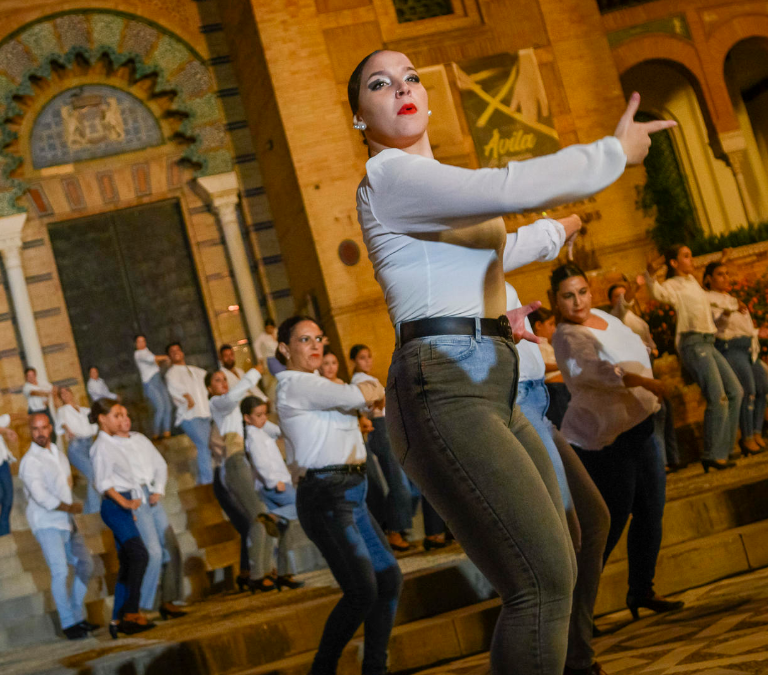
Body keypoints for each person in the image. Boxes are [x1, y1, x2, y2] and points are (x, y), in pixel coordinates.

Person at [348, 48, 673, 674]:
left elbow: (491, 250)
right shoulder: (389, 176)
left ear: (429, 95)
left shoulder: (434, 188)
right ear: (360, 118)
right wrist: (608, 156)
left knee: (577, 537)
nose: (402, 88)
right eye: (380, 84)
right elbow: (503, 185)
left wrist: (558, 232)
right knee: (542, 581)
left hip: (490, 378)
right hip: (444, 384)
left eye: (412, 77)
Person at [551, 263, 684, 623]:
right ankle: (577, 615)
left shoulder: (599, 315)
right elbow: (602, 371)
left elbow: (630, 341)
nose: (578, 301)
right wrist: (647, 382)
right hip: (604, 439)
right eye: (568, 295)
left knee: (650, 511)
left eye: (582, 292)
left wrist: (643, 348)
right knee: (606, 524)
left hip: (639, 425)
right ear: (556, 301)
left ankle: (641, 589)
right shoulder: (566, 337)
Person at [276, 316, 402, 675]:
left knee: (388, 579)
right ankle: (323, 669)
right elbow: (360, 393)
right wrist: (363, 394)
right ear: (285, 349)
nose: (316, 346)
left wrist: (365, 396)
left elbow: (369, 395)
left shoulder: (319, 385)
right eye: (304, 340)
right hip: (326, 496)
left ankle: (375, 667)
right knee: (363, 589)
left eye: (319, 339)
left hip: (351, 492)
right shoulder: (295, 385)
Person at [645, 246, 743, 470]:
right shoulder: (673, 286)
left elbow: (709, 298)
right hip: (693, 342)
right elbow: (657, 293)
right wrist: (650, 274)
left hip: (708, 342)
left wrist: (724, 261)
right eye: (686, 256)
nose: (691, 260)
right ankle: (712, 454)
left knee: (735, 392)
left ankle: (724, 451)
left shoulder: (692, 283)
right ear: (674, 263)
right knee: (717, 396)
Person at [19, 413, 96, 639]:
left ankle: (76, 614)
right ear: (30, 431)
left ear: (50, 428)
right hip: (46, 522)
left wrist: (70, 509)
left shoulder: (59, 455)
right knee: (60, 571)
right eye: (35, 429)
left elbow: (66, 485)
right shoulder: (29, 462)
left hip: (66, 521)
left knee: (86, 564)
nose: (40, 433)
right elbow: (40, 495)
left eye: (44, 428)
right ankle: (68, 623)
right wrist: (69, 508)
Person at [206, 366, 277, 592]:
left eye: (224, 379)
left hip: (242, 461)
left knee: (262, 515)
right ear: (209, 388)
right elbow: (235, 395)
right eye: (217, 380)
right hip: (233, 462)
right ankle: (257, 574)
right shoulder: (218, 404)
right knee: (258, 515)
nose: (223, 382)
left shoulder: (232, 407)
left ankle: (264, 570)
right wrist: (253, 374)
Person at [89, 398, 154, 638]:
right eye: (115, 415)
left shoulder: (112, 444)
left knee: (128, 562)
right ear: (102, 419)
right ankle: (131, 613)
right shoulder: (101, 447)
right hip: (115, 506)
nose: (120, 420)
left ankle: (118, 619)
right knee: (140, 555)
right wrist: (125, 502)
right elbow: (103, 483)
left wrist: (128, 505)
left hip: (122, 507)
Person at [350, 344, 413, 552]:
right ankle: (393, 530)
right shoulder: (358, 382)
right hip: (378, 429)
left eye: (368, 357)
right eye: (362, 358)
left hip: (386, 426)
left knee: (402, 482)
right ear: (354, 361)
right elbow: (370, 406)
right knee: (396, 481)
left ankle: (396, 527)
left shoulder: (369, 379)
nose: (367, 361)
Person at [241, 396, 305, 590]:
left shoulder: (261, 430)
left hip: (280, 480)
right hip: (274, 484)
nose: (263, 418)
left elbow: (277, 431)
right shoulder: (252, 436)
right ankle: (271, 516)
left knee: (286, 528)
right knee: (300, 506)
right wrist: (273, 481)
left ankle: (285, 572)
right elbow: (261, 463)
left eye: (265, 414)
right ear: (247, 418)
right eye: (258, 415)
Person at [704, 260, 768, 453]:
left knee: (763, 386)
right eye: (720, 274)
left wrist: (758, 332)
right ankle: (746, 437)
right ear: (709, 279)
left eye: (727, 273)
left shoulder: (731, 298)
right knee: (747, 388)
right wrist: (727, 311)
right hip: (729, 348)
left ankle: (757, 431)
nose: (725, 278)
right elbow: (718, 325)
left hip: (748, 348)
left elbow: (744, 328)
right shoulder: (709, 299)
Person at [165, 342, 214, 485]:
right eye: (172, 351)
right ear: (169, 356)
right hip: (189, 416)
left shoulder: (195, 370)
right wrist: (186, 396)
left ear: (182, 352)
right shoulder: (171, 373)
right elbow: (177, 390)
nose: (176, 352)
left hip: (204, 413)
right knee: (203, 445)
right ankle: (208, 482)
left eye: (177, 350)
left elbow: (209, 380)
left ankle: (201, 481)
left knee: (207, 446)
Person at [55, 387, 100, 514]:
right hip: (76, 446)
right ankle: (94, 510)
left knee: (96, 473)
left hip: (90, 443)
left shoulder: (85, 410)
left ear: (71, 393)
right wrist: (67, 429)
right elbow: (61, 423)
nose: (64, 395)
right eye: (61, 394)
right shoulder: (62, 410)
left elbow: (94, 424)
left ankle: (87, 509)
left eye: (66, 392)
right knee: (92, 473)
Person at [530, 307, 571, 429]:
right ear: (538, 325)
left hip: (563, 389)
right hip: (554, 391)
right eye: (551, 324)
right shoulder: (534, 344)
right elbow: (538, 366)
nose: (554, 329)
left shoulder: (546, 344)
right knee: (565, 426)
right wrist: (561, 364)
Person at [133, 336, 173, 440]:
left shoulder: (147, 351)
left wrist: (164, 362)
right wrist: (167, 357)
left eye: (143, 341)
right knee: (160, 408)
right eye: (139, 342)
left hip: (158, 379)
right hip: (150, 382)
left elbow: (156, 363)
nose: (141, 343)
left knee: (168, 406)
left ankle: (167, 432)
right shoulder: (138, 354)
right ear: (135, 344)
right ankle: (155, 434)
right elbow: (152, 359)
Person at [23, 367, 57, 442]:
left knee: (51, 429)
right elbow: (34, 393)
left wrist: (51, 399)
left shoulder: (42, 383)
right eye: (29, 376)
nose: (31, 378)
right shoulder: (26, 387)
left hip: (45, 410)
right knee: (38, 432)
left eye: (32, 375)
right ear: (26, 377)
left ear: (35, 375)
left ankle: (53, 446)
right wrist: (47, 393)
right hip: (35, 412)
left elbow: (53, 388)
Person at [0, 414, 17, 537]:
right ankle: (4, 532)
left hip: (2, 462)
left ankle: (4, 527)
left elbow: (8, 418)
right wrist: (6, 431)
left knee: (9, 497)